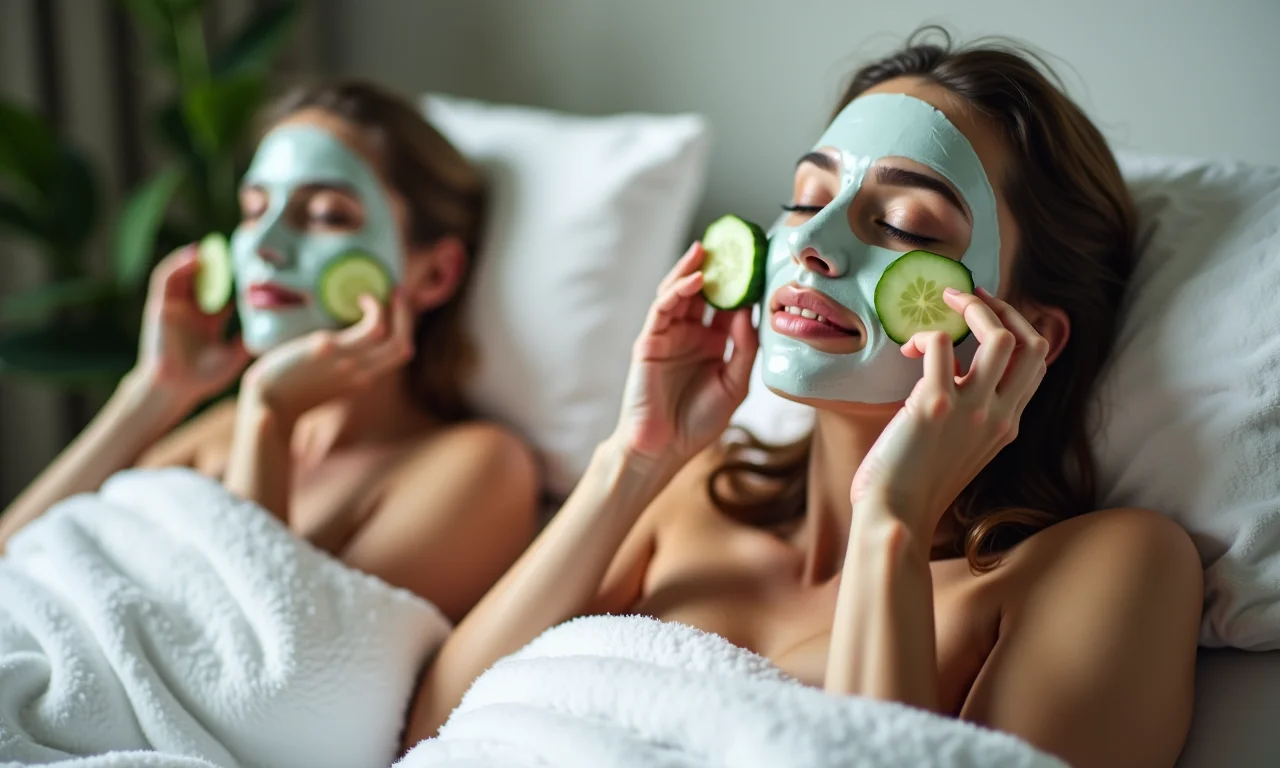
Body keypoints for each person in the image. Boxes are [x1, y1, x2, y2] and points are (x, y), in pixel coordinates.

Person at [403, 31, 1203, 767]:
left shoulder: (1114, 569)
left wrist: (892, 521)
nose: (812, 244)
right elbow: (434, 729)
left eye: (905, 226)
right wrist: (635, 458)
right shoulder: (698, 493)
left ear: (1027, 333)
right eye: (805, 198)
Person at [0, 81, 538, 623]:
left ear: (437, 273)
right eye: (255, 211)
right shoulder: (222, 430)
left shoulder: (479, 466)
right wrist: (155, 389)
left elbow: (252, 654)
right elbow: (13, 560)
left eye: (326, 215)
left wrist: (271, 420)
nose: (263, 245)